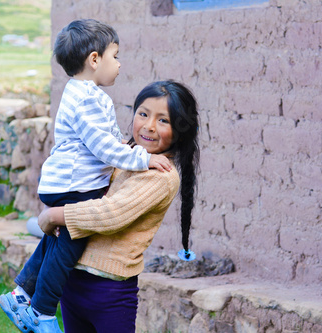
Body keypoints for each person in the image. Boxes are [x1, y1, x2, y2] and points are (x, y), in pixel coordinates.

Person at [0, 19, 171, 333]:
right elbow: (104, 147)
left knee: (54, 242)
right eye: (115, 56)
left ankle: (20, 293)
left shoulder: (77, 93)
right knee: (68, 248)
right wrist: (143, 158)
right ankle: (42, 311)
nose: (118, 64)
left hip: (63, 182)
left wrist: (124, 147)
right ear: (94, 60)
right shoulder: (90, 98)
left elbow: (105, 138)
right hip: (75, 184)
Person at [37, 80, 200, 332]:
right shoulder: (121, 153)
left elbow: (111, 214)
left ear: (180, 130)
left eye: (163, 120)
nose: (149, 126)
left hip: (109, 292)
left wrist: (54, 215)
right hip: (72, 279)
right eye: (143, 114)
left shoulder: (162, 176)